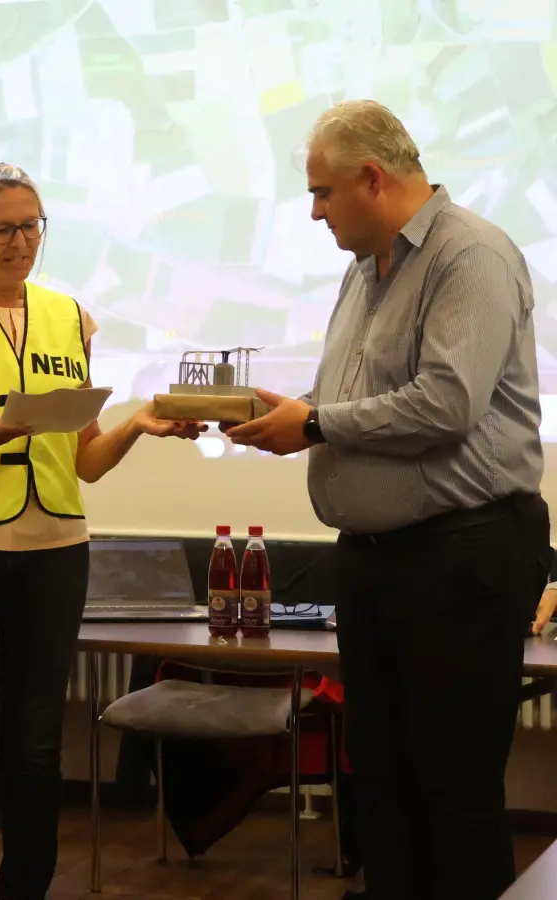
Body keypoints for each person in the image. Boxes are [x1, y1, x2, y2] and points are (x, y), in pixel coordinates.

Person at [227, 99, 548, 900]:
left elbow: (444, 405)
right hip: (378, 563)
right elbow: (355, 400)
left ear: (373, 179)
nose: (313, 211)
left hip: (460, 557)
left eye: (324, 193)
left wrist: (317, 422)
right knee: (382, 787)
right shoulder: (365, 266)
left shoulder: (467, 254)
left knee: (452, 789)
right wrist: (293, 410)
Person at [0, 163, 203, 900]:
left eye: (32, 226)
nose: (21, 241)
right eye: (3, 228)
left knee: (35, 744)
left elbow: (85, 462)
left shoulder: (69, 314)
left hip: (54, 550)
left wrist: (138, 425)